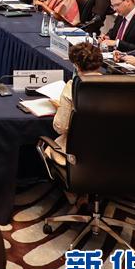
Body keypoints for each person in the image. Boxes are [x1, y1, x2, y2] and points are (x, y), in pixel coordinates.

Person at [44, 43, 103, 191]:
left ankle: (75, 197)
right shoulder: (117, 85)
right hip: (112, 151)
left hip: (77, 153)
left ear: (76, 65)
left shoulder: (73, 86)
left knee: (50, 148)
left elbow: (60, 127)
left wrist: (61, 107)